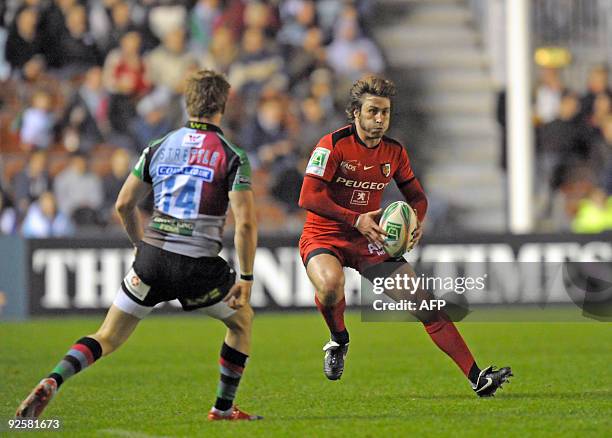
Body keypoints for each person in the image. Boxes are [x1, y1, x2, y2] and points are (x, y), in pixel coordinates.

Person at [16, 70, 262, 421]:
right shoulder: (232, 155)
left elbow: (123, 205)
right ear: (222, 104)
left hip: (151, 257)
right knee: (241, 323)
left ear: (187, 103)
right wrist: (247, 277)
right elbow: (247, 222)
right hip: (197, 265)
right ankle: (222, 408)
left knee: (107, 335)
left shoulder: (159, 146)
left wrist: (137, 245)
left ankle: (54, 378)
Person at [298, 75, 512, 396]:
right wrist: (355, 219)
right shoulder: (332, 145)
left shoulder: (394, 152)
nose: (380, 119)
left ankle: (476, 377)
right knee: (330, 285)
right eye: (372, 111)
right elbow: (308, 196)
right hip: (325, 235)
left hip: (371, 239)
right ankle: (339, 339)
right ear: (355, 112)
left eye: (385, 112)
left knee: (424, 305)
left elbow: (418, 197)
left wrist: (416, 223)